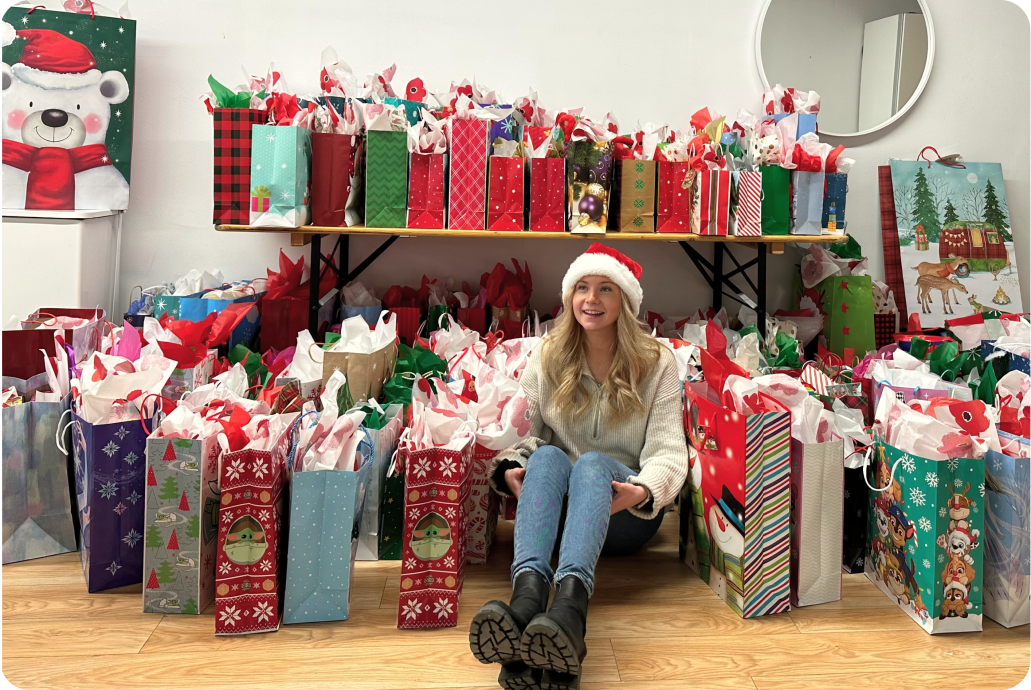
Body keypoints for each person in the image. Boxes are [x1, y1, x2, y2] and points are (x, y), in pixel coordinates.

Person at [468, 243, 688, 690]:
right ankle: (527, 607)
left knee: (590, 465)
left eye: (606, 288)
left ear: (624, 300)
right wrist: (512, 468)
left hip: (623, 513)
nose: (591, 299)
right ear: (570, 296)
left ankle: (570, 609)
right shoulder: (549, 354)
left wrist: (643, 491)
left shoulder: (657, 362)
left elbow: (669, 452)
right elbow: (522, 432)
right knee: (548, 455)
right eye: (583, 287)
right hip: (557, 514)